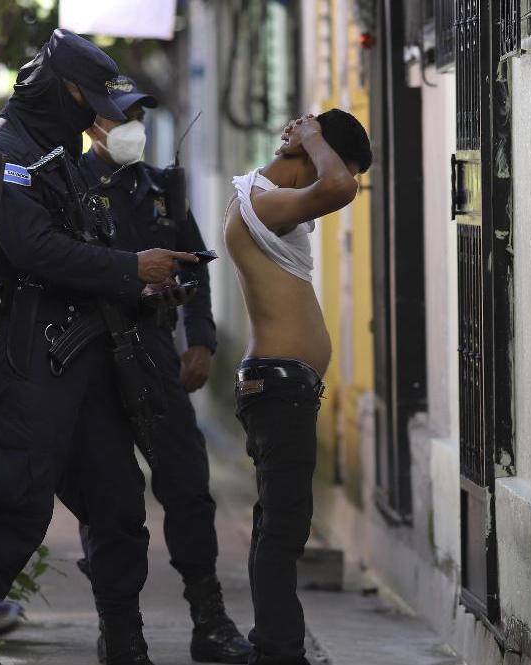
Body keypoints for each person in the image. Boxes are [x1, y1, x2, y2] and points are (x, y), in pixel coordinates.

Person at [0, 30, 198, 665]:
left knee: (117, 506)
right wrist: (130, 269)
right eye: (90, 101)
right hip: (29, 357)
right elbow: (33, 249)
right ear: (60, 91)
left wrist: (149, 286)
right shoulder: (2, 150)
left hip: (93, 358)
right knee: (16, 500)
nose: (101, 117)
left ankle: (123, 638)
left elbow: (89, 246)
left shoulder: (58, 152)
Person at [74, 77, 253, 664]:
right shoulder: (68, 185)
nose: (134, 129)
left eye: (139, 116)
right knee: (113, 500)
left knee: (188, 488)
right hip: (92, 360)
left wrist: (198, 340)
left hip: (153, 357)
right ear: (95, 124)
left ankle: (211, 620)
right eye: (122, 117)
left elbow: (195, 268)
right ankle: (121, 633)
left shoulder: (162, 189)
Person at [222, 110, 371, 665]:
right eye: (334, 157)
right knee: (284, 528)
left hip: (282, 384)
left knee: (279, 522)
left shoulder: (264, 202)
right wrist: (313, 138)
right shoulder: (264, 203)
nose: (333, 172)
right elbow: (338, 185)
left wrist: (311, 141)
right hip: (279, 385)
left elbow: (333, 180)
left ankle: (275, 644)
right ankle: (280, 651)